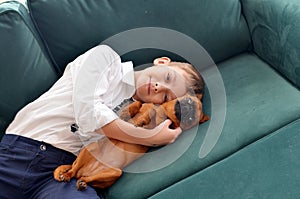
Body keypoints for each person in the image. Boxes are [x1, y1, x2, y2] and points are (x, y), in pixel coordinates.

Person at [0, 45, 204, 199]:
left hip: (66, 175)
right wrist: (150, 137)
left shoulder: (139, 116)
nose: (159, 87)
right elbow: (88, 113)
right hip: (21, 152)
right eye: (168, 77)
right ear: (161, 62)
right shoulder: (105, 58)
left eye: (167, 97)